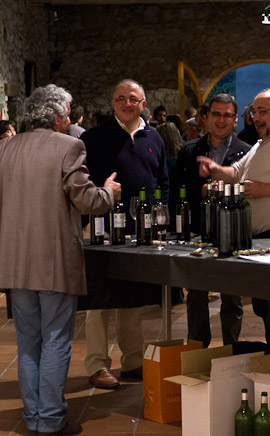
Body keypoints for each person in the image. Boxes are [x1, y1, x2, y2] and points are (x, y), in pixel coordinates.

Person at [0, 84, 121, 436]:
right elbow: (86, 200)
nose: (69, 120)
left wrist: (2, 222)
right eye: (68, 114)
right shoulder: (69, 146)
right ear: (56, 116)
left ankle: (34, 416)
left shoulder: (1, 150)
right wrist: (109, 193)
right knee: (56, 339)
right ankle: (51, 420)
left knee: (28, 342)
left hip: (14, 261)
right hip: (55, 261)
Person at [198, 88, 270, 352]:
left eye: (262, 111)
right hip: (263, 238)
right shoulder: (264, 143)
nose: (256, 117)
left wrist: (264, 189)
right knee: (265, 306)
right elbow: (236, 172)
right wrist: (216, 169)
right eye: (254, 111)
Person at [80, 79, 169, 390]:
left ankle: (132, 360)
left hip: (140, 229)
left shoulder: (153, 138)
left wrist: (161, 219)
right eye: (120, 99)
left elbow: (162, 182)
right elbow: (79, 183)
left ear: (143, 103)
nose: (126, 104)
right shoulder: (94, 138)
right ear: (112, 103)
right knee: (99, 301)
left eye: (133, 99)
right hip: (101, 226)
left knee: (132, 298)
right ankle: (96, 365)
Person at [176, 93, 251, 348]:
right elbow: (178, 192)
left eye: (227, 115)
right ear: (206, 118)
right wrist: (203, 191)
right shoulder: (189, 150)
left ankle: (231, 350)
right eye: (216, 114)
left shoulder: (247, 152)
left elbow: (250, 193)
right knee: (196, 294)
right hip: (198, 232)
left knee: (232, 297)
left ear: (236, 119)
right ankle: (197, 350)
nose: (221, 120)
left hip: (233, 233)